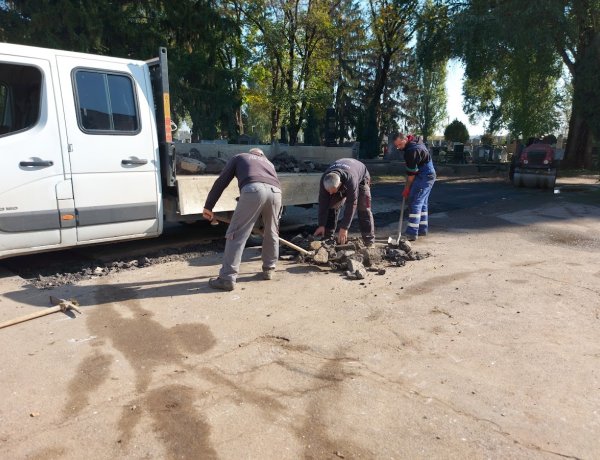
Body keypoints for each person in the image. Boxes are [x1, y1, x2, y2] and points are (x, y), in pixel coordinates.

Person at [203, 148, 282, 291]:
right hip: (276, 193)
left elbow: (222, 181)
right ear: (261, 155)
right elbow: (269, 183)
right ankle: (269, 269)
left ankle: (227, 278)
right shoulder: (269, 163)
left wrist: (209, 206)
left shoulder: (240, 157)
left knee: (237, 233)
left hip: (254, 190)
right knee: (272, 232)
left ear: (251, 153)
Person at [314, 158, 375, 246]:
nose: (330, 193)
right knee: (332, 206)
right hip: (343, 175)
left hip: (361, 179)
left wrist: (344, 228)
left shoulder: (351, 180)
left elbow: (351, 203)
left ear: (339, 184)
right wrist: (321, 224)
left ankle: (369, 242)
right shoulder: (325, 178)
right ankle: (327, 238)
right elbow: (323, 202)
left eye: (332, 190)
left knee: (364, 208)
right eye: (328, 191)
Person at [392, 132, 436, 241]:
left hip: (425, 175)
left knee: (415, 201)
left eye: (399, 145)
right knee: (423, 203)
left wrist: (407, 188)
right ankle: (422, 229)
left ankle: (412, 233)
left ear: (404, 140)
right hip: (429, 173)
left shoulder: (411, 151)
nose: (398, 148)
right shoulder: (415, 141)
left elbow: (411, 176)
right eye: (396, 146)